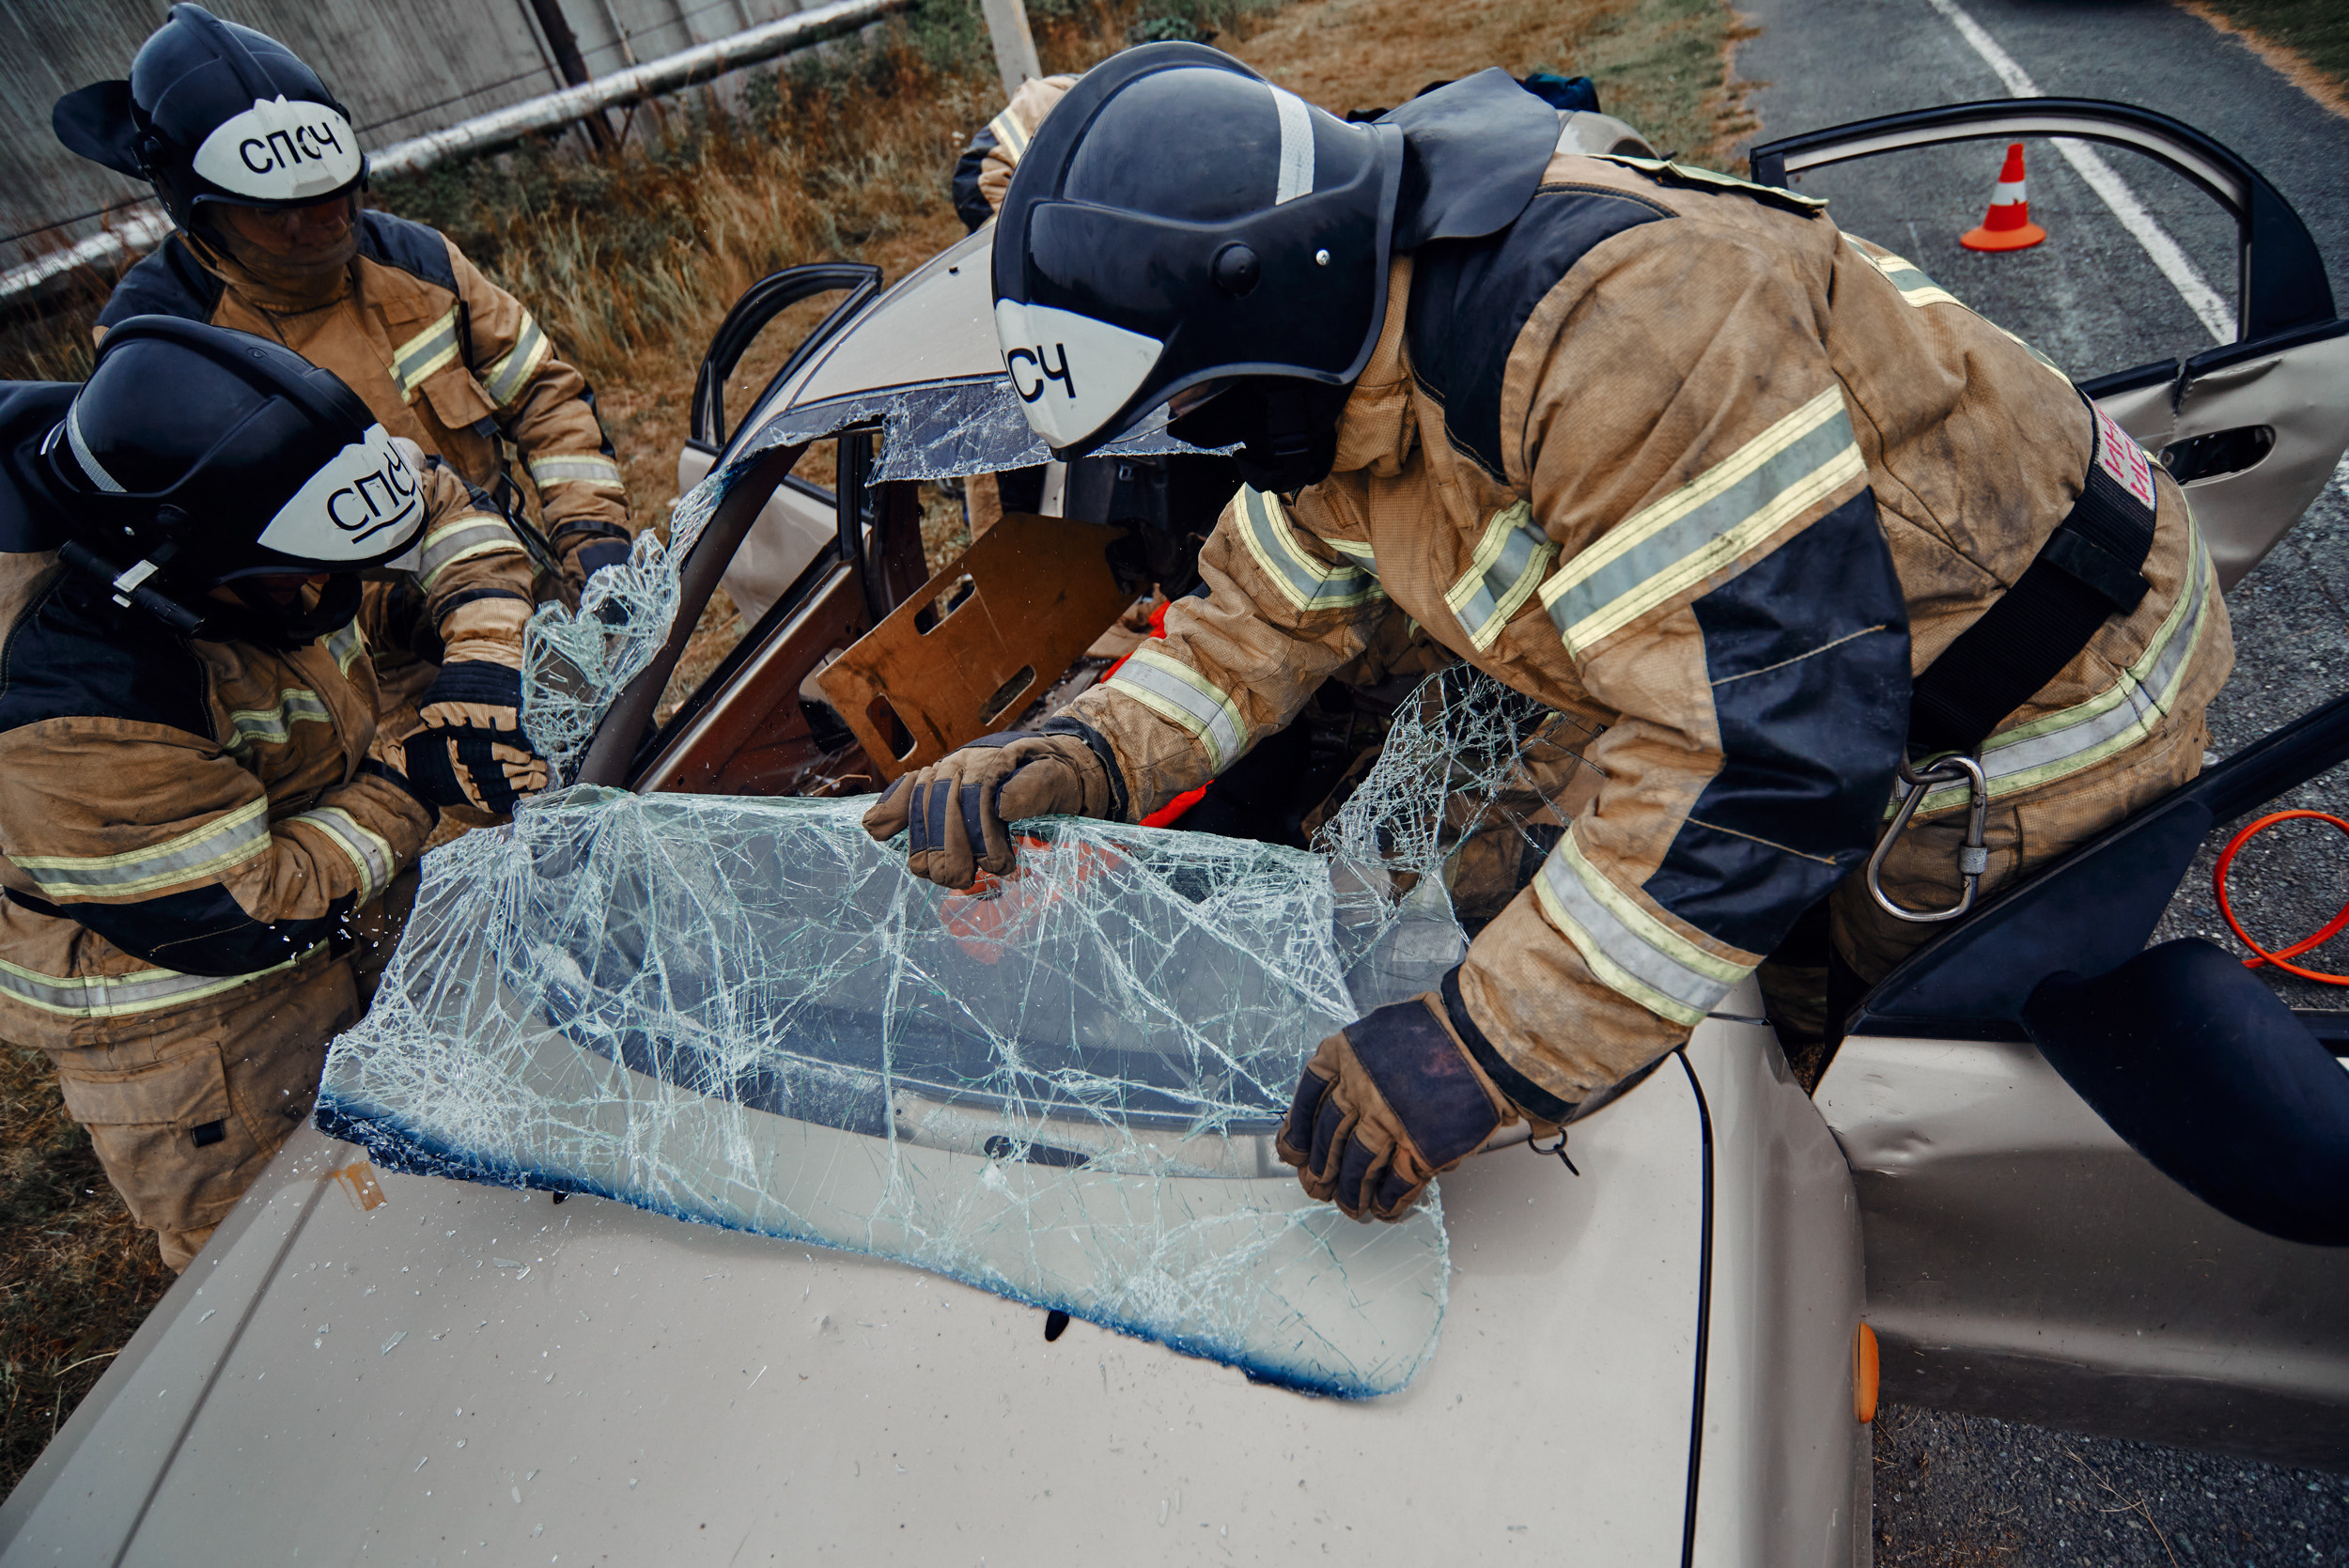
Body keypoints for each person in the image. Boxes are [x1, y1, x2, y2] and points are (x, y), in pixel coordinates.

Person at [867, 43, 2230, 1221]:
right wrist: (1081, 752)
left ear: (1264, 311)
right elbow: (1248, 626)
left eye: (1198, 408)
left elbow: (1770, 762)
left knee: (1837, 1089)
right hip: (1769, 668)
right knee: (1568, 924)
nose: (1202, 446)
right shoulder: (1346, 362)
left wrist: (1479, 1053)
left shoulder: (1618, 335)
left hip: (2036, 703)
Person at [0, 318, 543, 1269]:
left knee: (444, 1224)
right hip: (195, 1038)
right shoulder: (70, 698)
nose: (334, 592)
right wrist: (418, 777)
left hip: (344, 920)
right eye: (306, 577)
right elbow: (239, 912)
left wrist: (481, 657)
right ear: (170, 575)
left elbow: (442, 507)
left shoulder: (252, 467)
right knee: (292, 1281)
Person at [51, 4, 633, 620]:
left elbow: (545, 395)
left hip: (518, 589)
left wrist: (593, 542)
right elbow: (223, 559)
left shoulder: (419, 262)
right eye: (279, 214)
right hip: (362, 673)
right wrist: (420, 624)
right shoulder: (161, 347)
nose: (324, 226)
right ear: (200, 213)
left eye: (336, 197)